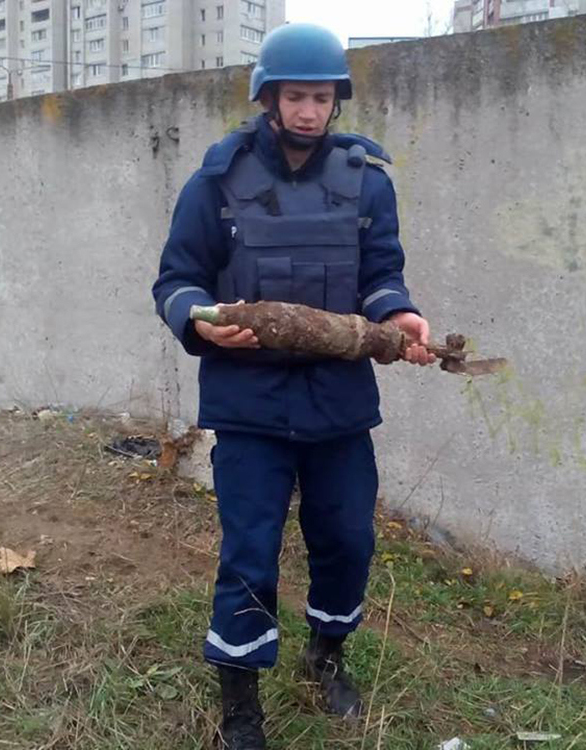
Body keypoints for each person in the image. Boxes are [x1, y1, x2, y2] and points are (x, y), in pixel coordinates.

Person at [151, 22, 434, 749]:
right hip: (248, 406)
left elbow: (381, 276)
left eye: (321, 97)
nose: (309, 111)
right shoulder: (218, 181)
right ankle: (241, 705)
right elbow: (177, 279)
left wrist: (398, 315)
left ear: (335, 102)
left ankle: (326, 655)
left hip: (338, 404)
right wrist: (198, 322)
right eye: (295, 96)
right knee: (248, 549)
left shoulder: (367, 181)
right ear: (268, 97)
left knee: (346, 539)